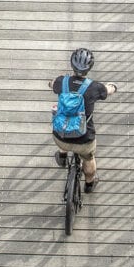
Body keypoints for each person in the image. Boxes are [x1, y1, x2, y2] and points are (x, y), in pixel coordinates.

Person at [51, 47, 116, 190]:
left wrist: (53, 83)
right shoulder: (95, 88)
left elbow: (51, 84)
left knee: (62, 122)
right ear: (89, 68)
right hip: (84, 140)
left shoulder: (61, 82)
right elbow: (108, 91)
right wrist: (112, 87)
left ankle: (62, 156)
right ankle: (89, 184)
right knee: (88, 158)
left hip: (60, 136)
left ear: (72, 65)